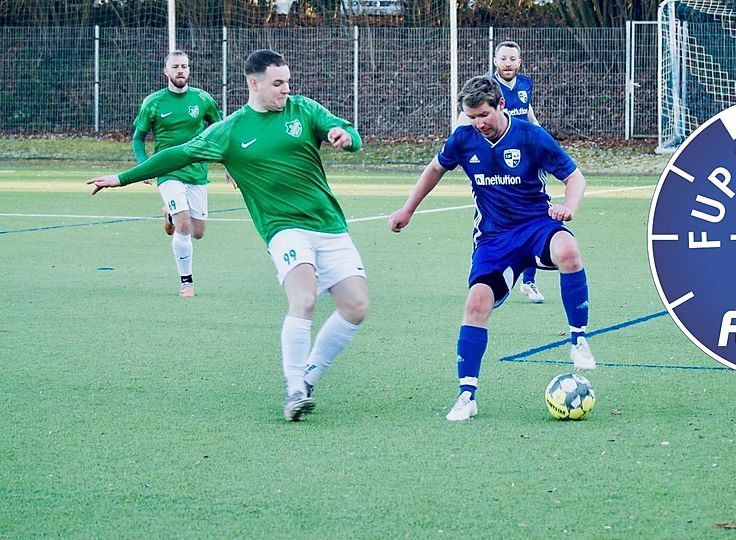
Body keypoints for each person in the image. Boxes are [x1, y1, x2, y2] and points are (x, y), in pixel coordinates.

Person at [87, 49, 368, 423]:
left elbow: (351, 132)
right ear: (254, 83)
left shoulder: (303, 110)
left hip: (329, 225)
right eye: (277, 83)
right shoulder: (231, 130)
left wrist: (345, 137)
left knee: (356, 307)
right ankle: (294, 388)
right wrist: (122, 178)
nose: (286, 89)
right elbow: (178, 154)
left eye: (287, 82)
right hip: (282, 229)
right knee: (303, 299)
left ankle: (310, 375)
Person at [389, 75, 596, 422]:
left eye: (483, 114)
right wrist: (407, 209)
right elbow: (435, 168)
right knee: (476, 304)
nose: (478, 123)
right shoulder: (464, 139)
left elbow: (575, 177)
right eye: (471, 117)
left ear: (501, 105)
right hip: (493, 239)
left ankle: (578, 339)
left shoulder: (530, 136)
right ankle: (466, 395)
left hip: (535, 226)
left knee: (569, 251)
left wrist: (569, 207)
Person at [133, 50, 222, 297]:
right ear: (166, 72)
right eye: (175, 67)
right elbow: (138, 138)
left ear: (189, 70)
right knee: (184, 223)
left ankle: (169, 216)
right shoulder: (153, 102)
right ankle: (187, 282)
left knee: (198, 232)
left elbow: (220, 133)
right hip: (168, 172)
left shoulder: (203, 100)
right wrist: (145, 166)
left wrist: (229, 165)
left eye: (184, 66)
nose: (180, 70)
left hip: (197, 172)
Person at [492, 40, 544, 303]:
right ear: (495, 61)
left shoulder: (525, 84)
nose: (508, 63)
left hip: (528, 162)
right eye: (503, 58)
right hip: (498, 166)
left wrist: (542, 139)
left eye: (513, 58)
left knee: (534, 219)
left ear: (519, 61)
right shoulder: (487, 88)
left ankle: (529, 282)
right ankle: (488, 277)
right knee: (495, 220)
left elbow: (528, 115)